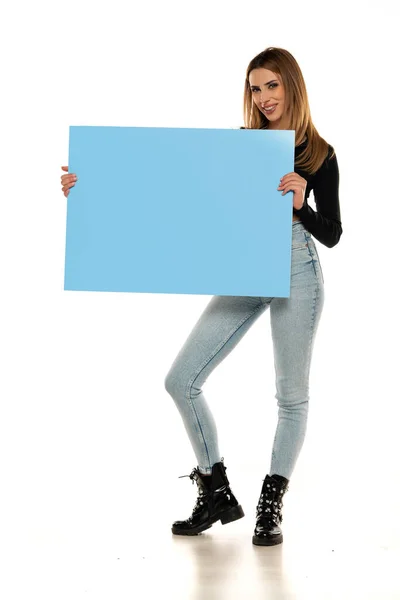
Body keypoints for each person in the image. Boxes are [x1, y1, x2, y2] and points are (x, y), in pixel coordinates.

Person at [60, 46, 342, 547]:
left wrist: (301, 204)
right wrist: (92, 187)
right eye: (255, 88)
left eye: (272, 85)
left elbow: (334, 233)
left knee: (290, 395)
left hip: (299, 268)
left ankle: (270, 507)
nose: (263, 97)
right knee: (181, 378)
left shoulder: (319, 153)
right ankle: (216, 490)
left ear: (291, 86)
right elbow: (173, 188)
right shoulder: (244, 146)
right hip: (247, 265)